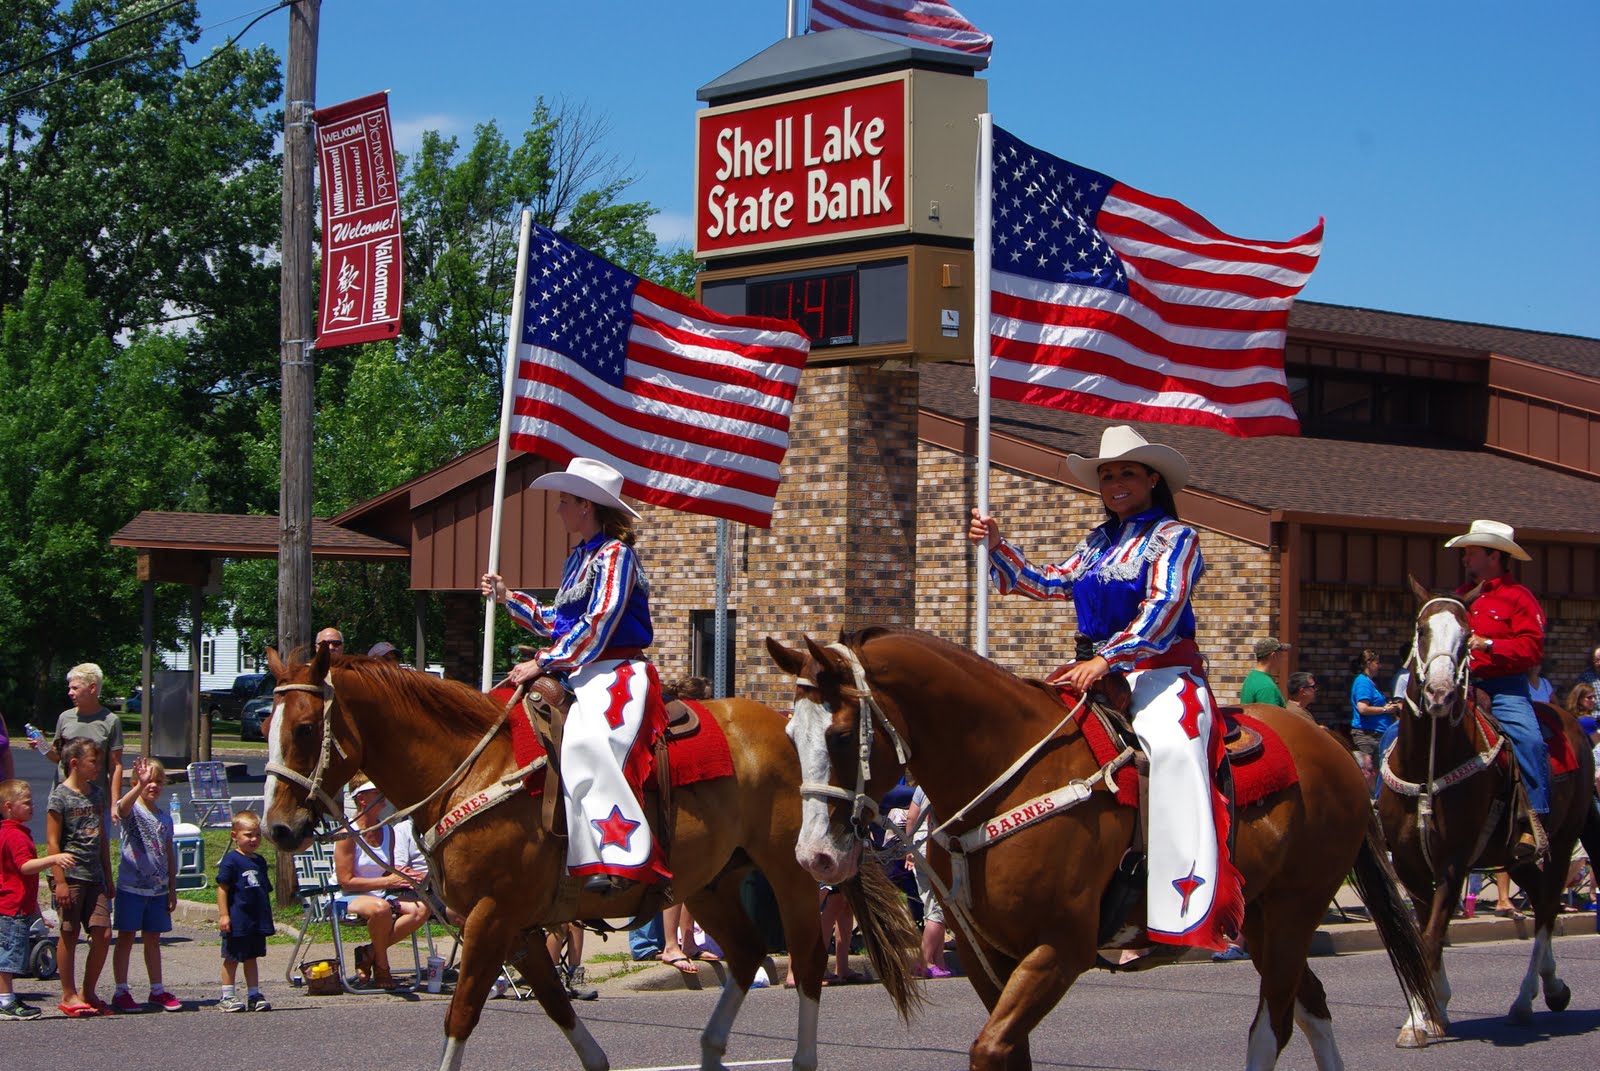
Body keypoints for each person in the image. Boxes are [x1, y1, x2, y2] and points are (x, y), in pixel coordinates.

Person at [969, 424, 1241, 950]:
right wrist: (1000, 546)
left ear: (1151, 480)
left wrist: (1109, 658)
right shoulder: (1096, 543)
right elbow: (1048, 582)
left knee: (1171, 749)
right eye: (1107, 475)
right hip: (1095, 672)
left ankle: (1181, 900)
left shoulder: (1176, 537)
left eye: (1126, 474)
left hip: (1162, 673)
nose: (1114, 483)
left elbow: (1163, 610)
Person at [481, 456, 665, 897]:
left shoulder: (615, 555)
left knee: (586, 739)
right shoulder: (577, 558)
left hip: (615, 669)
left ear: (586, 506)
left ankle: (616, 853)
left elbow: (600, 622)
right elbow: (558, 622)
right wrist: (510, 598)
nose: (558, 509)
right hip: (579, 667)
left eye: (564, 501)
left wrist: (543, 663)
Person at [1445, 519, 1549, 863]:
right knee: (1407, 733)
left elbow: (1532, 650)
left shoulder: (1519, 598)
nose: (1465, 558)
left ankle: (1533, 821)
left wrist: (1488, 644)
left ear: (1494, 556)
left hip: (1505, 688)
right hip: (1462, 686)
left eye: (1471, 552)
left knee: (1529, 740)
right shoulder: (1458, 599)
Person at [334, 777, 430, 991]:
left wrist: (406, 875)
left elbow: (389, 870)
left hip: (380, 895)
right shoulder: (347, 834)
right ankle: (382, 965)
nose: (383, 796)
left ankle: (369, 952)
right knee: (381, 908)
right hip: (348, 896)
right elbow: (345, 881)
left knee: (421, 909)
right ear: (362, 799)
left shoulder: (388, 831)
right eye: (376, 791)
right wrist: (387, 880)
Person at [47, 738, 114, 1016]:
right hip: (70, 875)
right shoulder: (59, 797)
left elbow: (101, 840)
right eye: (93, 762)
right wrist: (59, 881)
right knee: (69, 932)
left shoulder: (97, 794)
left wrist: (108, 877)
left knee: (103, 932)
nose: (97, 766)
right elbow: (52, 843)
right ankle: (68, 994)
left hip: (95, 874)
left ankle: (89, 991)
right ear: (75, 763)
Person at [109, 758, 181, 1012]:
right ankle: (121, 990)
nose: (153, 786)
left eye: (158, 781)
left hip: (158, 889)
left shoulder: (164, 818)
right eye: (148, 781)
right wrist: (137, 786)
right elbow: (121, 807)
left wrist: (172, 888)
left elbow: (169, 853)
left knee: (153, 939)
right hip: (131, 887)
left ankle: (157, 989)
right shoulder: (133, 810)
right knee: (127, 937)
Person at [0, 779, 75, 1019]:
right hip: (11, 906)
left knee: (9, 953)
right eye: (27, 803)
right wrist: (54, 859)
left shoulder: (10, 832)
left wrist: (36, 911)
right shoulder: (15, 836)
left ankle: (6, 996)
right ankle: (5, 1001)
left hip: (16, 904)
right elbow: (25, 867)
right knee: (9, 956)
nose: (32, 806)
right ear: (9, 807)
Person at [215, 811, 274, 1011]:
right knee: (232, 956)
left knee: (251, 956)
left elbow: (263, 890)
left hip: (255, 918)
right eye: (248, 835)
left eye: (257, 834)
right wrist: (224, 915)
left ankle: (253, 993)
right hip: (237, 917)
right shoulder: (231, 860)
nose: (254, 839)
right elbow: (222, 888)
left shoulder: (260, 861)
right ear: (235, 836)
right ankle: (227, 995)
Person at [42, 664, 123, 807]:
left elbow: (115, 766)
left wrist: (115, 803)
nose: (70, 693)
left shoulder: (111, 721)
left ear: (92, 688)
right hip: (63, 799)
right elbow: (58, 758)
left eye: (75, 688)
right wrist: (42, 747)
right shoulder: (65, 718)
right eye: (69, 688)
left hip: (95, 802)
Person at [903, 784, 950, 978]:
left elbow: (911, 817)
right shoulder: (944, 779)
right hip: (935, 843)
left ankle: (937, 961)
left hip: (918, 843)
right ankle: (922, 962)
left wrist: (908, 848)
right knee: (940, 907)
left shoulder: (921, 787)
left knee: (931, 904)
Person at [1349, 649, 1402, 779]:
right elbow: (1363, 708)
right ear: (1368, 663)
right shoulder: (1363, 682)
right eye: (1377, 663)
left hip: (1377, 734)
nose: (1380, 666)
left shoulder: (1369, 682)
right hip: (1368, 735)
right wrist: (1385, 709)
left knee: (1377, 773)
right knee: (1368, 773)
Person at [1240, 638, 1290, 705]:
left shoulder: (1252, 677)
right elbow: (1271, 715)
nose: (1282, 660)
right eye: (1280, 655)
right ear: (1274, 656)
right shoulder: (1267, 686)